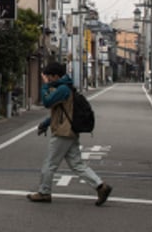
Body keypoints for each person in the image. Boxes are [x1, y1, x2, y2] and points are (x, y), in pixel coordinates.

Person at [28, 61, 111, 206]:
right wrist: (46, 124)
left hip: (63, 133)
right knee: (77, 164)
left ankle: (44, 192)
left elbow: (47, 102)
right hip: (69, 131)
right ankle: (100, 186)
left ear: (55, 76)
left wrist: (45, 86)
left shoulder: (62, 89)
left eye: (48, 76)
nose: (47, 79)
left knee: (50, 163)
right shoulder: (65, 87)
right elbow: (60, 111)